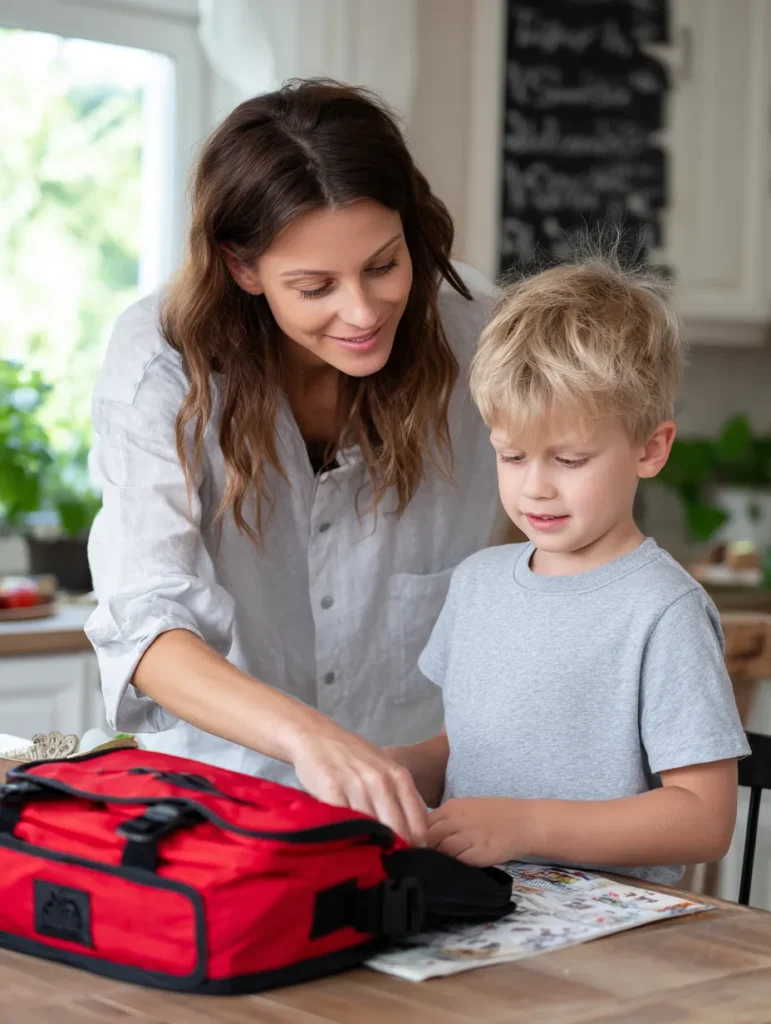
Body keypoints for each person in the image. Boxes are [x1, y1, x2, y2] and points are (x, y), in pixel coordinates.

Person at [85, 79, 501, 847]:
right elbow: (147, 624)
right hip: (223, 809)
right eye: (314, 287)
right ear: (242, 269)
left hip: (424, 806)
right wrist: (312, 738)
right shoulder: (163, 364)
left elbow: (541, 544)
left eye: (383, 265)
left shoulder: (475, 328)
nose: (363, 311)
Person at [389, 257, 750, 882]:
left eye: (570, 459)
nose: (536, 489)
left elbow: (704, 819)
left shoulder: (664, 610)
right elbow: (463, 749)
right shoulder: (477, 584)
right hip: (481, 907)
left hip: (614, 939)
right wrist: (394, 771)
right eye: (512, 454)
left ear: (650, 449)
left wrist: (528, 826)